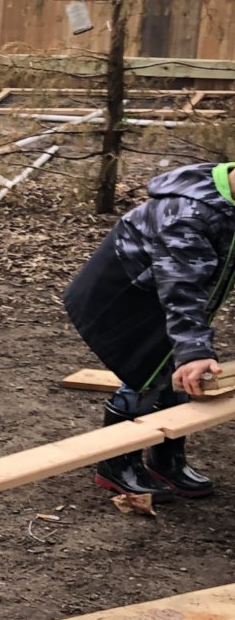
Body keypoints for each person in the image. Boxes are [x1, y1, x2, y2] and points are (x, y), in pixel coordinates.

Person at [63, 161, 235, 499]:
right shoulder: (187, 215)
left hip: (169, 293)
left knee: (177, 370)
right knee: (147, 368)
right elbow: (180, 289)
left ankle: (166, 456)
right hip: (126, 295)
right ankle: (116, 461)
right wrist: (195, 351)